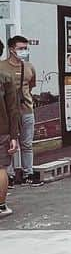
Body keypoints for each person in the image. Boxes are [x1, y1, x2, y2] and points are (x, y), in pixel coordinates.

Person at [4, 34, 37, 185]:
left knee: (27, 143)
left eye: (26, 48)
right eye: (20, 48)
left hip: (26, 110)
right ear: (12, 50)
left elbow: (30, 86)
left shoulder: (29, 67)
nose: (24, 51)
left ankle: (28, 173)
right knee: (8, 144)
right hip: (7, 112)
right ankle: (8, 175)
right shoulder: (2, 67)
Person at [0, 39, 21, 218]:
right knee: (1, 169)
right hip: (2, 129)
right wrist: (14, 135)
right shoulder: (6, 77)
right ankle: (1, 206)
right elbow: (13, 109)